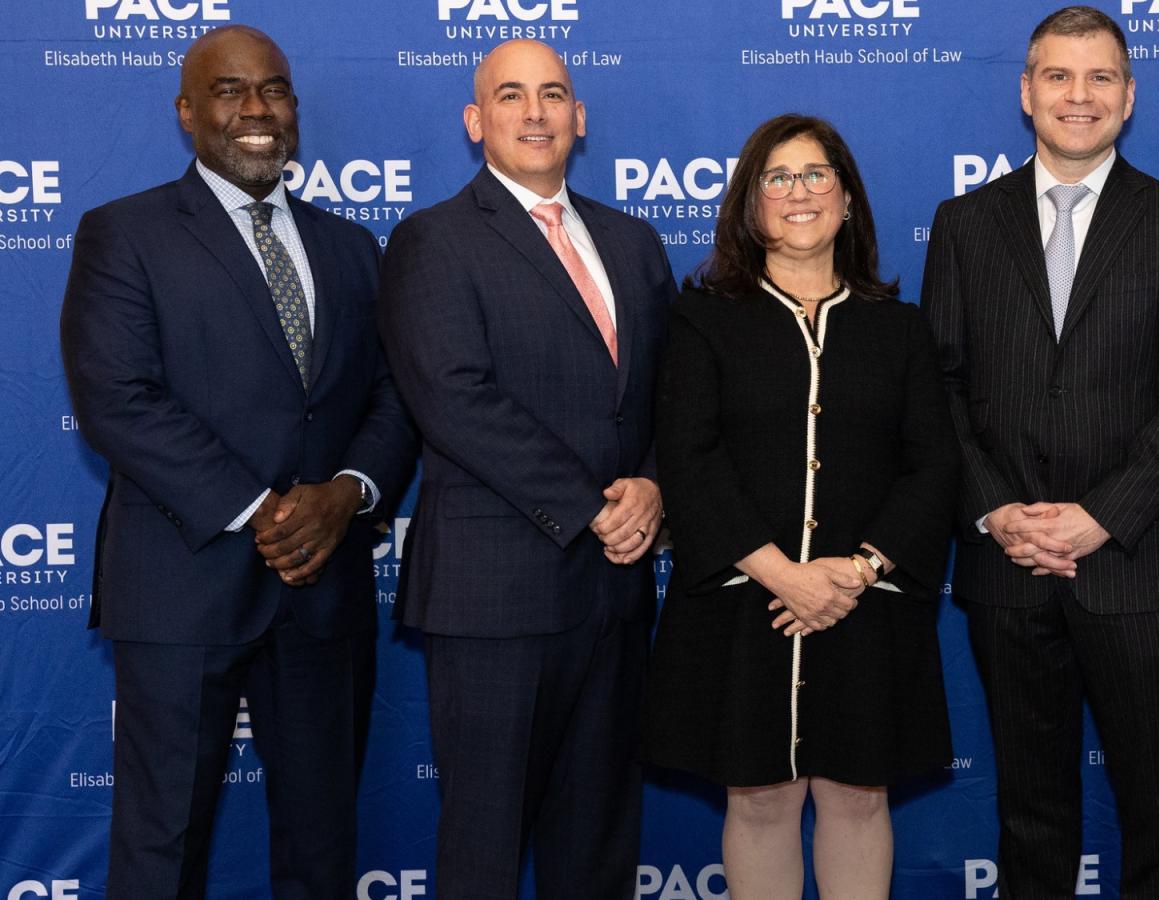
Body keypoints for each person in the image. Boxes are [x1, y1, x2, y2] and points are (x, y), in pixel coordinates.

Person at [58, 26, 415, 899]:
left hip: (322, 589)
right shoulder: (123, 233)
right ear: (187, 111)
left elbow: (394, 396)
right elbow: (118, 399)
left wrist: (346, 493)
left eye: (275, 91)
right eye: (229, 91)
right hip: (183, 585)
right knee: (161, 846)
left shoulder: (352, 247)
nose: (256, 111)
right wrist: (265, 508)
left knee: (323, 843)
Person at [921, 7, 1159, 898]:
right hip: (1007, 563)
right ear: (1026, 92)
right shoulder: (964, 224)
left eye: (1100, 78)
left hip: (1136, 565)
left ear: (1129, 98)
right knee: (1030, 814)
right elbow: (938, 386)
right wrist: (995, 510)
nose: (1078, 96)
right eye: (1058, 76)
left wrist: (1101, 518)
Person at [376, 39, 675, 900]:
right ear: (477, 122)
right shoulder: (432, 239)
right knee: (485, 846)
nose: (535, 112)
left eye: (553, 94)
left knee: (599, 846)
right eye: (511, 95)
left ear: (581, 118)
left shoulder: (634, 241)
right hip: (494, 594)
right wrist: (592, 507)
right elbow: (453, 398)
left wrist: (652, 484)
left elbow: (667, 393)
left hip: (614, 595)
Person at [643, 113, 958, 899]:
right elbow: (689, 458)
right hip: (744, 603)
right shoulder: (703, 318)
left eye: (816, 174)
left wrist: (855, 571)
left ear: (848, 199)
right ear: (750, 205)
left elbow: (933, 466)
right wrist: (784, 574)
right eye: (776, 178)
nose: (798, 192)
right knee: (759, 800)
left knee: (858, 796)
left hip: (867, 605)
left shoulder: (900, 328)